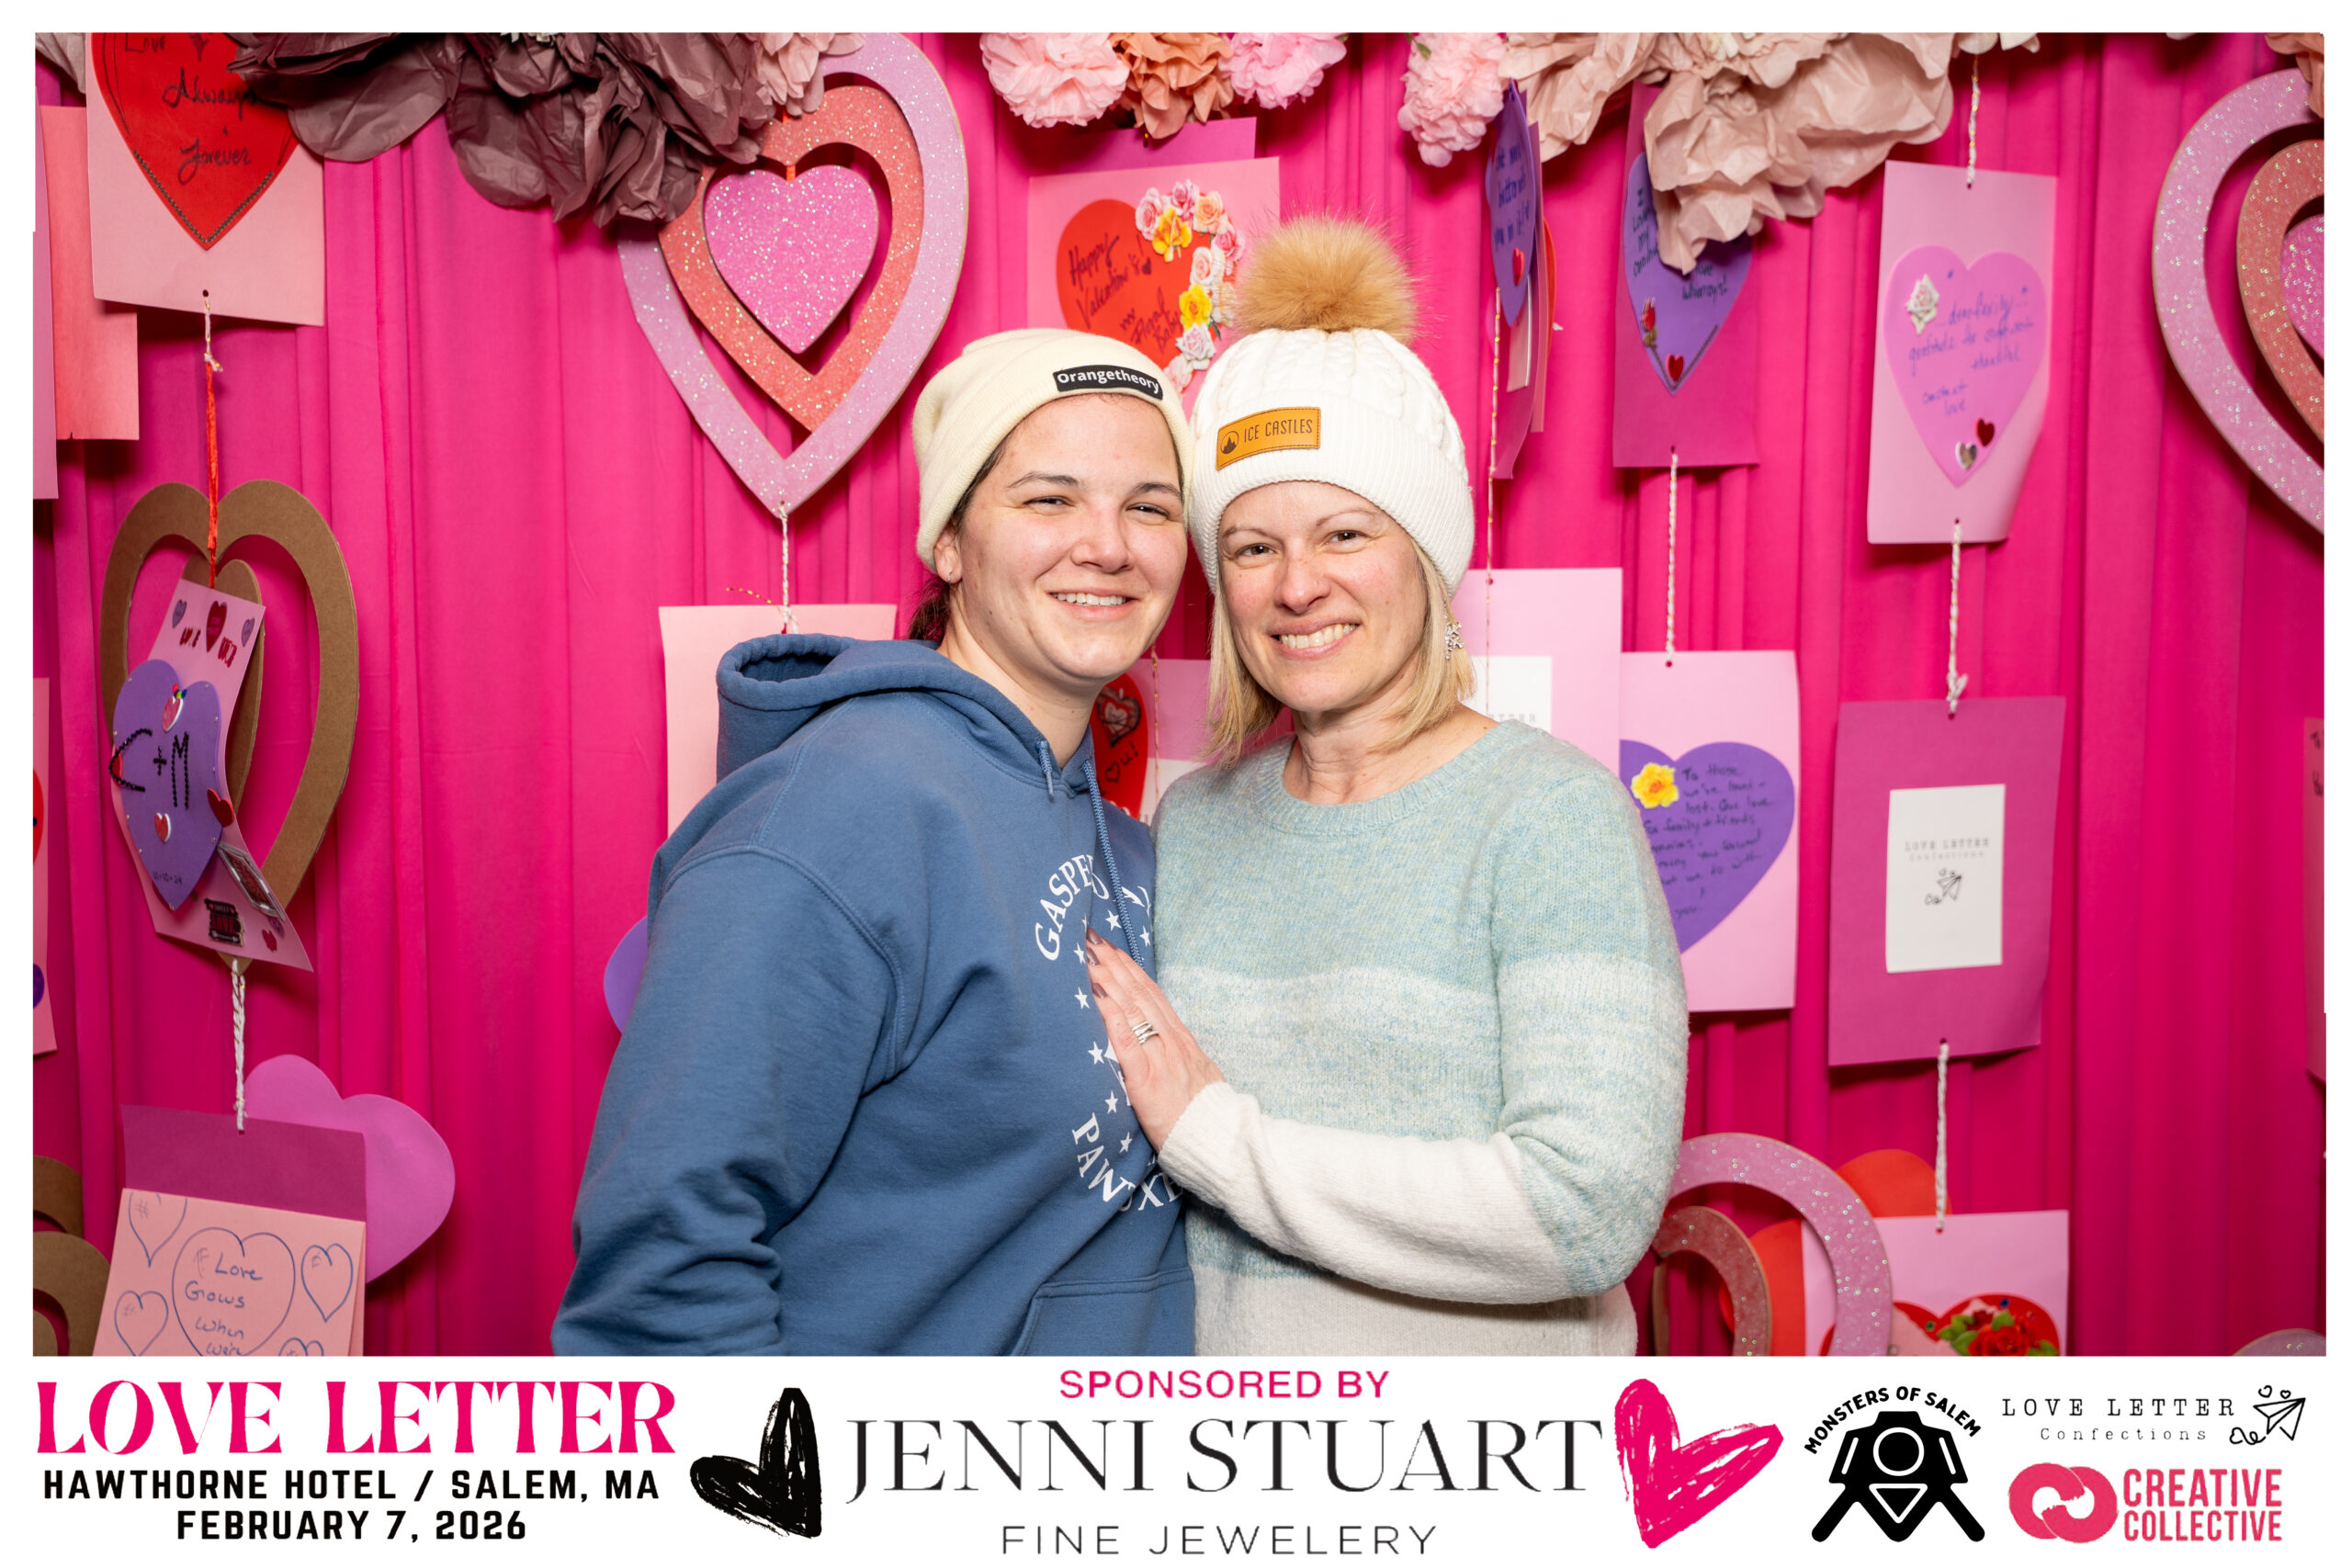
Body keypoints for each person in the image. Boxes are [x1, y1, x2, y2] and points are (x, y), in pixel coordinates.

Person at [1084, 218, 1689, 1356]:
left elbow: (1586, 1210)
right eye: (1252, 548)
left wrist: (1221, 1141)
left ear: (1425, 555)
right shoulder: (1194, 824)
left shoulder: (1551, 818)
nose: (1297, 586)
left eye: (1344, 533)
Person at [556, 330, 1196, 1355]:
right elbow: (662, 1274)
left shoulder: (1119, 838)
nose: (1109, 546)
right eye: (1049, 499)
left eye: (1151, 507)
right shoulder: (834, 814)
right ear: (950, 544)